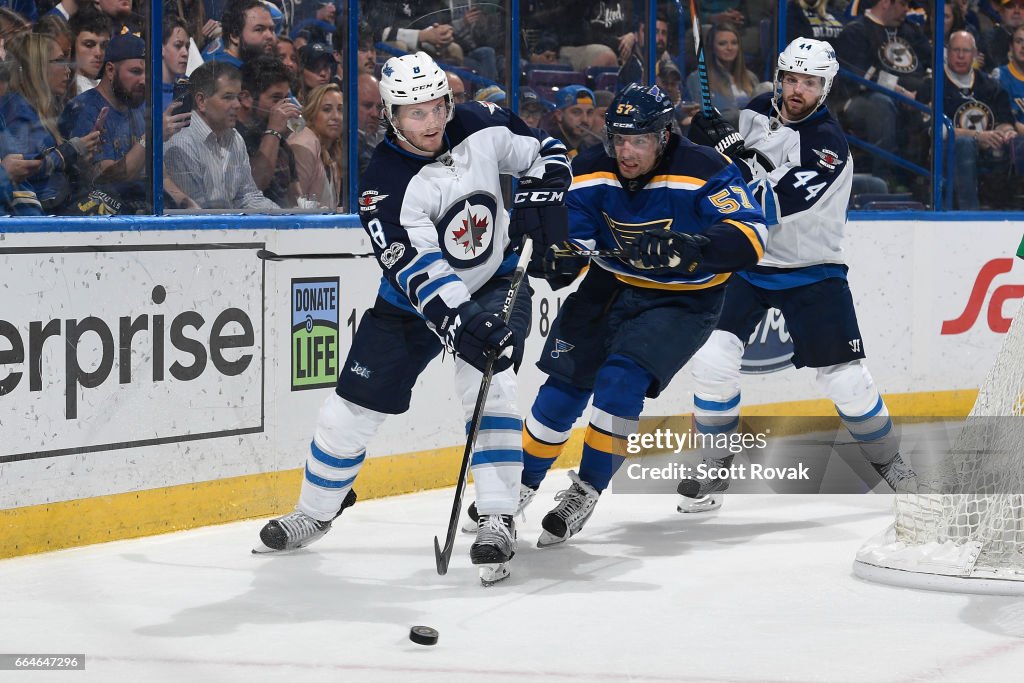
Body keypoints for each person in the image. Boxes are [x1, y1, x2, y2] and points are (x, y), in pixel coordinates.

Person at [254, 51, 571, 586]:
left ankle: (497, 516)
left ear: (449, 102)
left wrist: (545, 197)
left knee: (490, 386)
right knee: (345, 413)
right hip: (412, 304)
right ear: (392, 116)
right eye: (414, 113)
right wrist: (464, 322)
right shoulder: (384, 186)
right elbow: (419, 272)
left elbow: (545, 151)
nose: (429, 123)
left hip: (493, 282)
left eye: (435, 108)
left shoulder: (481, 124)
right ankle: (316, 510)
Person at [463, 83, 766, 546]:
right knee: (562, 388)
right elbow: (574, 236)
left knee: (620, 383)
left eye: (639, 140)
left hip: (683, 299)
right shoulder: (590, 169)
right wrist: (560, 255)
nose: (626, 152)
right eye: (619, 139)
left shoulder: (705, 169)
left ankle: (586, 488)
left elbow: (751, 237)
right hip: (610, 286)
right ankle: (519, 485)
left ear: (664, 136)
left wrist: (697, 248)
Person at [681, 38, 918, 512]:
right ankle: (715, 463)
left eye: (809, 83)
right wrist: (701, 143)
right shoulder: (752, 111)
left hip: (814, 269)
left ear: (825, 88)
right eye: (791, 79)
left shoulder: (827, 144)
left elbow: (771, 205)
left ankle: (892, 463)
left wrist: (727, 152)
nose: (797, 90)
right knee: (711, 359)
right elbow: (713, 181)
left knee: (846, 381)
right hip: (749, 264)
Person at [163, 61, 279, 210]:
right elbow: (197, 213)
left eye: (238, 97)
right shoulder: (181, 143)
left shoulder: (234, 137)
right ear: (201, 101)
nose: (237, 105)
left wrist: (283, 217)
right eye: (228, 97)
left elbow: (247, 196)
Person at [59, 33, 148, 213]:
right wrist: (151, 136)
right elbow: (109, 178)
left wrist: (187, 203)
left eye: (147, 72)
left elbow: (163, 176)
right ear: (110, 70)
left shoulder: (137, 107)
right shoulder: (84, 109)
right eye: (135, 72)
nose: (144, 80)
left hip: (133, 213)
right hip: (93, 219)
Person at [943, 30, 1017, 209]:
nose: (961, 56)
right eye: (956, 50)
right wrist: (977, 136)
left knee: (1017, 144)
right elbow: (937, 129)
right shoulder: (935, 84)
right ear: (947, 52)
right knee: (965, 144)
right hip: (947, 152)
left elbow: (1005, 120)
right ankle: (970, 212)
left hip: (989, 147)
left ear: (975, 54)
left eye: (966, 51)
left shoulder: (990, 85)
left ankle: (1011, 209)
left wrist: (1006, 132)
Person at [237, 55, 301, 207]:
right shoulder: (232, 140)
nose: (283, 106)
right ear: (246, 98)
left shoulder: (282, 145)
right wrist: (273, 131)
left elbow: (296, 200)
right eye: (276, 98)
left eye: (286, 99)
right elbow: (255, 185)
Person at [687, 23, 764, 128]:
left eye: (734, 43)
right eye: (722, 43)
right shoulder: (698, 78)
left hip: (751, 135)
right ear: (712, 48)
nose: (729, 48)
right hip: (719, 136)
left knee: (766, 88)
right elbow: (702, 118)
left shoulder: (751, 77)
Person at [289, 82, 343, 208]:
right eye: (327, 109)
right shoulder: (303, 144)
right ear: (311, 114)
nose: (336, 116)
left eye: (340, 110)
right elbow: (294, 205)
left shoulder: (333, 149)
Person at [207, 0, 276, 68]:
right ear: (235, 36)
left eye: (272, 29)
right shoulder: (225, 72)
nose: (270, 36)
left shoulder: (226, 51)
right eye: (259, 29)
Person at [544, 84, 600, 158]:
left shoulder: (590, 148)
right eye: (576, 112)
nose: (585, 119)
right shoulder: (546, 147)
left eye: (589, 112)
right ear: (559, 115)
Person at [68, 8, 111, 97]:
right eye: (89, 45)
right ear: (71, 46)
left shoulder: (108, 88)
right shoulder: (66, 93)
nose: (98, 53)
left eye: (104, 46)